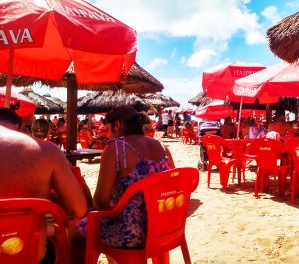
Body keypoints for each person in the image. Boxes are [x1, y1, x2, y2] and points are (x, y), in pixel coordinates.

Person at [76, 106, 175, 261]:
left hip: (132, 235)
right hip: (165, 228)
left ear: (117, 125)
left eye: (108, 129)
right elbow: (173, 187)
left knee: (76, 230)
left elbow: (101, 201)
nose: (107, 135)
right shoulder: (163, 148)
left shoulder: (116, 148)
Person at [0, 108, 87, 263]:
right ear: (21, 127)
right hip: (29, 255)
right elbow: (79, 209)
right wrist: (49, 196)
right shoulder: (46, 151)